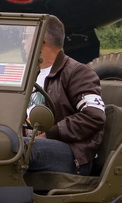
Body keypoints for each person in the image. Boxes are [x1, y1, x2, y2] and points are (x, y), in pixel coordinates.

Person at [26, 15, 106, 176]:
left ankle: (4, 200)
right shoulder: (28, 73)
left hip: (72, 152)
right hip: (32, 141)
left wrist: (51, 132)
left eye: (26, 37)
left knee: (18, 149)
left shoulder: (77, 73)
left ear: (41, 40)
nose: (22, 42)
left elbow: (94, 116)